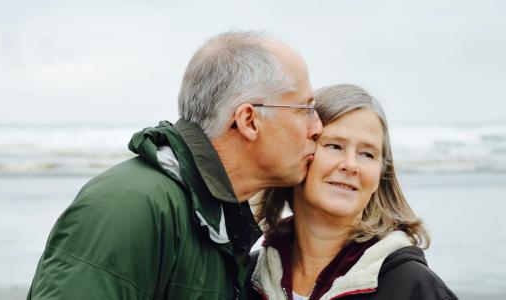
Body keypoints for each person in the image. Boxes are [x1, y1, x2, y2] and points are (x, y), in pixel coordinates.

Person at [27, 31, 323, 299]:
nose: (317, 127)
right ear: (248, 121)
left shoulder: (217, 217)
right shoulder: (130, 206)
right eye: (305, 109)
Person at [249, 84, 457, 300]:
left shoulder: (414, 287)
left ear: (380, 175)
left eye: (367, 154)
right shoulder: (248, 279)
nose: (350, 165)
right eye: (335, 146)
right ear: (298, 154)